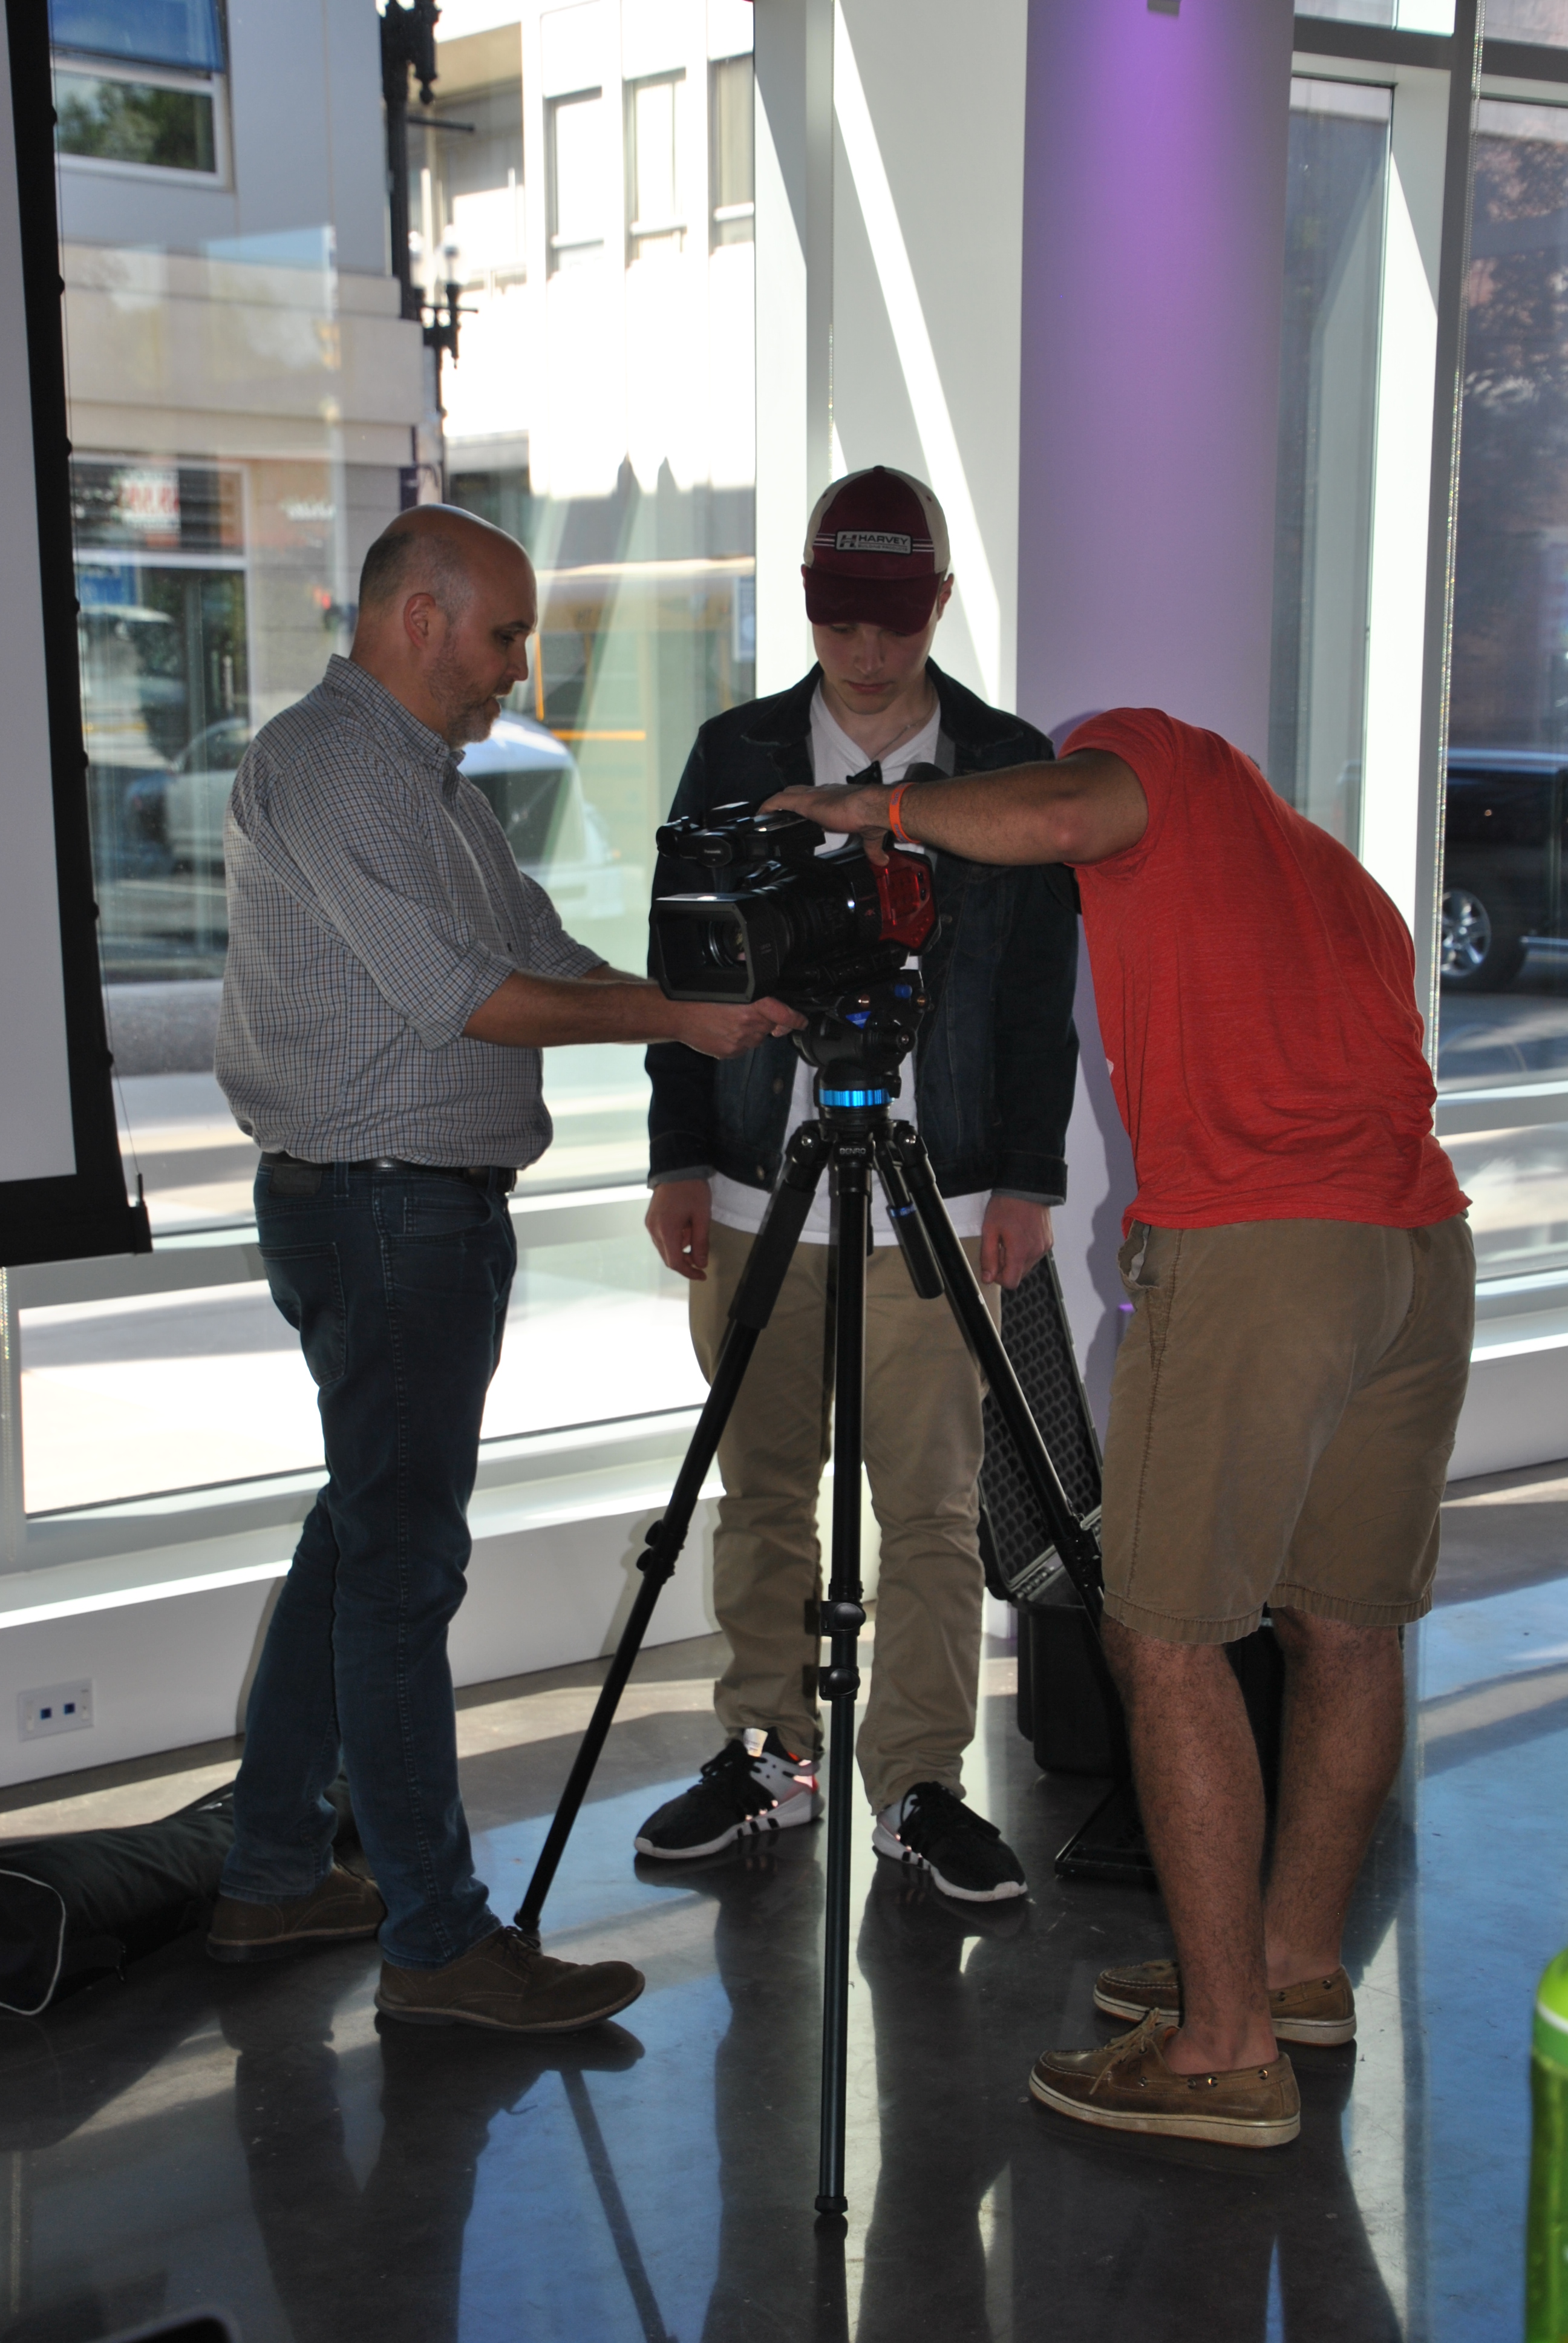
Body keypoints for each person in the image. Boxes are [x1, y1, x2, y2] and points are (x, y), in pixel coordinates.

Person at [766, 706, 1472, 2145]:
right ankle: (1287, 1971)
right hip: (1414, 1245)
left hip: (1264, 1249)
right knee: (1345, 1628)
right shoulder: (1335, 878)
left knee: (1163, 1636)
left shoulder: (1162, 760)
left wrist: (870, 810)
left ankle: (1220, 2051)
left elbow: (1063, 812)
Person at [207, 504, 800, 2031]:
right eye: (504, 635)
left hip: (415, 1215)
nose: (518, 669)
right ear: (419, 617)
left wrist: (707, 997)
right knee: (402, 1575)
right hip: (382, 1216)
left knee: (359, 1538)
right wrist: (672, 1022)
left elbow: (544, 951)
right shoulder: (331, 766)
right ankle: (436, 1942)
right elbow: (465, 995)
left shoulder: (435, 788)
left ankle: (273, 1873)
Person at [636, 467, 1080, 1901]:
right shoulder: (735, 752)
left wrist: (1027, 1179)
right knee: (762, 1488)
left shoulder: (1004, 764)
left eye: (895, 618)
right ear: (807, 603)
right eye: (841, 618)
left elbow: (1036, 995)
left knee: (932, 1507)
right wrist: (677, 1154)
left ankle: (919, 1781)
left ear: (939, 603)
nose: (868, 650)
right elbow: (680, 967)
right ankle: (769, 1752)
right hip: (755, 1185)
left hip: (938, 1198)